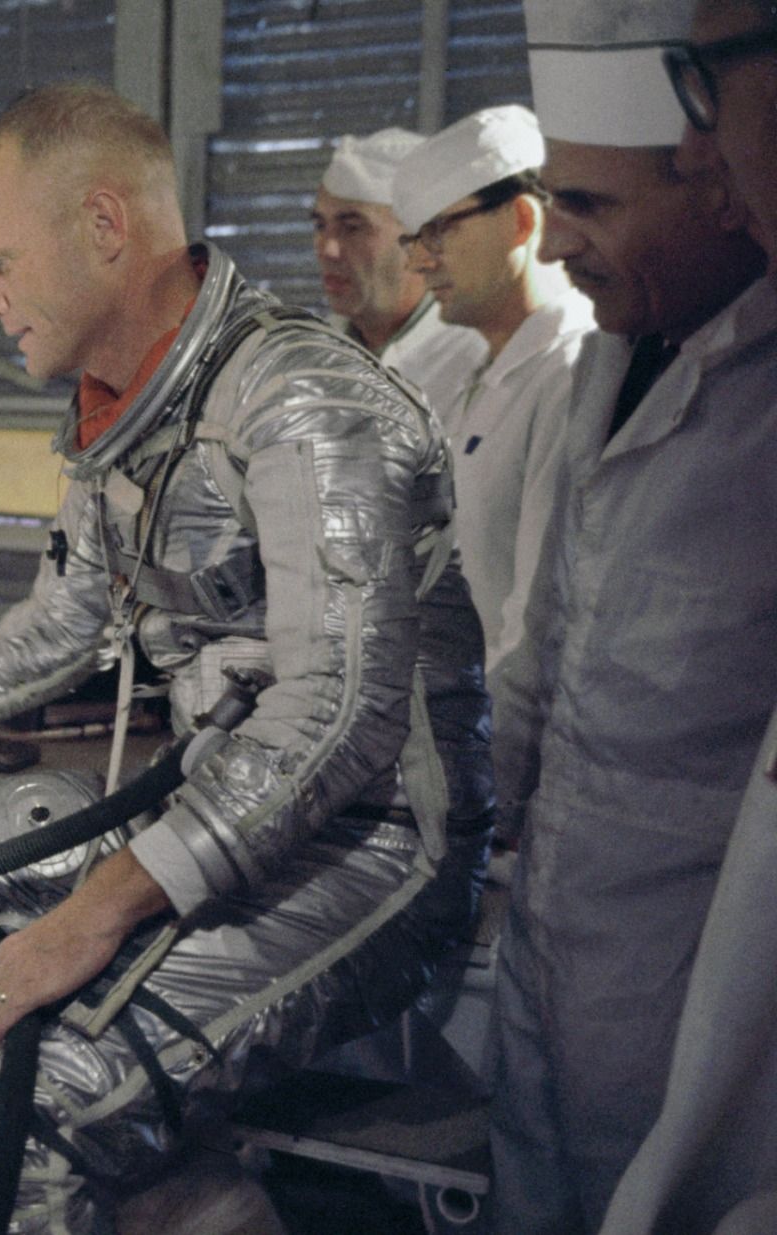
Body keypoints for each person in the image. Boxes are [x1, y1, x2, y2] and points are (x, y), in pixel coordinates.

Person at [0, 82, 493, 1234]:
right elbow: (66, 624)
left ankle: (39, 1120)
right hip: (210, 811)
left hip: (377, 842)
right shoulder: (120, 413)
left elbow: (336, 722)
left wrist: (97, 910)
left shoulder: (305, 401)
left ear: (104, 227)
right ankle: (144, 1163)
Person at [488, 0, 777, 1229]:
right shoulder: (609, 358)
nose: (553, 249)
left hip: (690, 984)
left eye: (591, 207)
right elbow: (544, 659)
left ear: (721, 182)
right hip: (548, 943)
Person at [597, 4, 777, 1229]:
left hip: (674, 960)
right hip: (587, 940)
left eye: (705, 91)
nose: (702, 147)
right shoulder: (601, 366)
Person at [390, 105, 594, 674]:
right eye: (414, 238)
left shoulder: (568, 371)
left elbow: (535, 625)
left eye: (438, 231)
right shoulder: (467, 372)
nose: (421, 261)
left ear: (522, 222)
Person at [311, 126, 487, 391]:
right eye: (320, 226)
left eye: (352, 228)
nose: (327, 250)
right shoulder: (312, 354)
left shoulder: (473, 357)